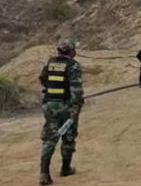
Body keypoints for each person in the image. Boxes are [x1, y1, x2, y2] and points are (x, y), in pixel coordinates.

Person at [38, 39, 84, 185]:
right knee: (68, 136)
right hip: (66, 106)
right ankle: (65, 168)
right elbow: (76, 88)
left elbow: (42, 78)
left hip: (50, 105)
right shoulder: (73, 65)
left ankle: (44, 174)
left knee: (49, 138)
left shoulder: (50, 63)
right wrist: (76, 106)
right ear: (71, 51)